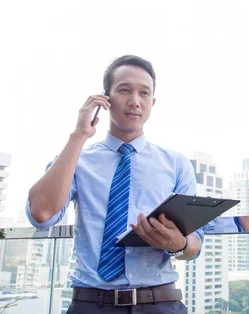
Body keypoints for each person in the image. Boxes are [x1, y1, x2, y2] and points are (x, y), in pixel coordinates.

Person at [26, 55, 203, 313]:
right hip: (91, 303)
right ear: (105, 99)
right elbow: (41, 215)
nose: (135, 101)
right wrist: (79, 135)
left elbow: (195, 244)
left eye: (144, 93)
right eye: (124, 90)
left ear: (152, 102)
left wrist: (179, 244)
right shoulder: (77, 159)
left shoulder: (176, 163)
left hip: (161, 302)